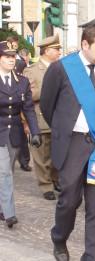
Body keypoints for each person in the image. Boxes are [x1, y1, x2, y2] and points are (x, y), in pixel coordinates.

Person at [40, 23, 95, 260]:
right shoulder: (61, 69)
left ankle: (91, 256)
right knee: (69, 201)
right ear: (85, 44)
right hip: (71, 144)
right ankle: (59, 239)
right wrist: (64, 129)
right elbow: (47, 105)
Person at [0, 41, 41, 228]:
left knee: (7, 171)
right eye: (7, 56)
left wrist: (35, 132)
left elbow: (29, 109)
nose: (11, 60)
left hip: (15, 133)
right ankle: (9, 213)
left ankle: (2, 206)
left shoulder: (22, 81)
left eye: (12, 56)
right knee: (4, 172)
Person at [23, 34, 61, 200]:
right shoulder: (31, 71)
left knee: (57, 154)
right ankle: (46, 185)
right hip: (40, 119)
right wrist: (49, 90)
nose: (59, 52)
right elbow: (26, 96)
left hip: (59, 119)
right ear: (47, 51)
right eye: (56, 49)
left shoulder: (60, 68)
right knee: (41, 156)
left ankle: (55, 178)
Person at [6, 35, 32, 172]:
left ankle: (24, 161)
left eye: (15, 47)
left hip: (18, 109)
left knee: (20, 139)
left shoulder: (20, 65)